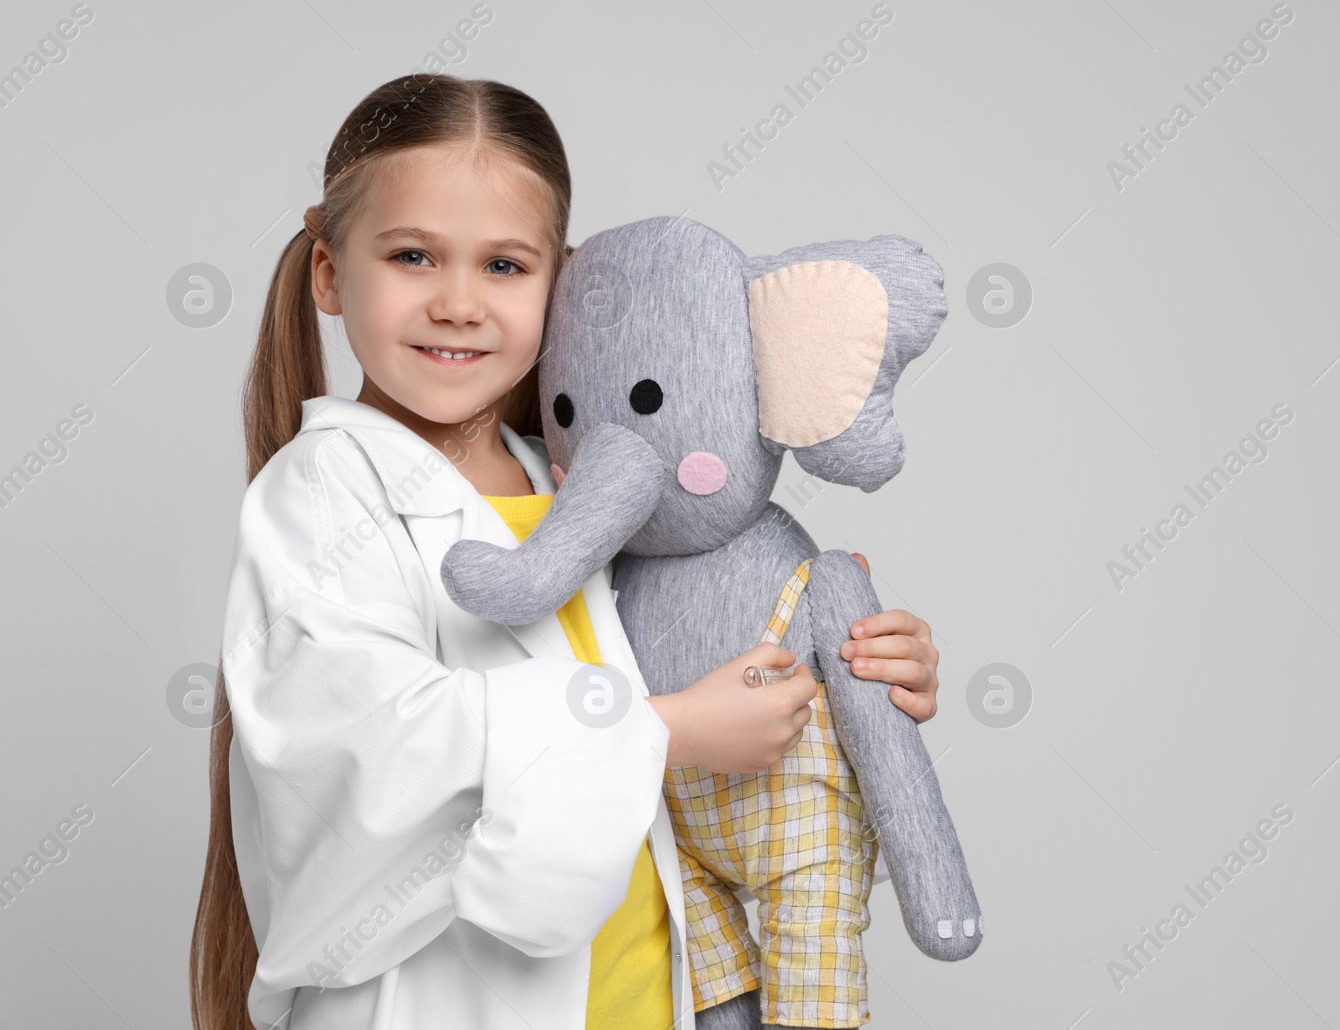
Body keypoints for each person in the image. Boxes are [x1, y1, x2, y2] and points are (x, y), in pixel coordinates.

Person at [190, 74, 946, 1030]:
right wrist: (665, 727)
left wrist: (851, 660)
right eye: (414, 255)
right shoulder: (320, 496)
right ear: (332, 272)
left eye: (505, 266)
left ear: (563, 283)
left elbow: (703, 664)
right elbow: (363, 752)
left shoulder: (572, 495)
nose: (459, 303)